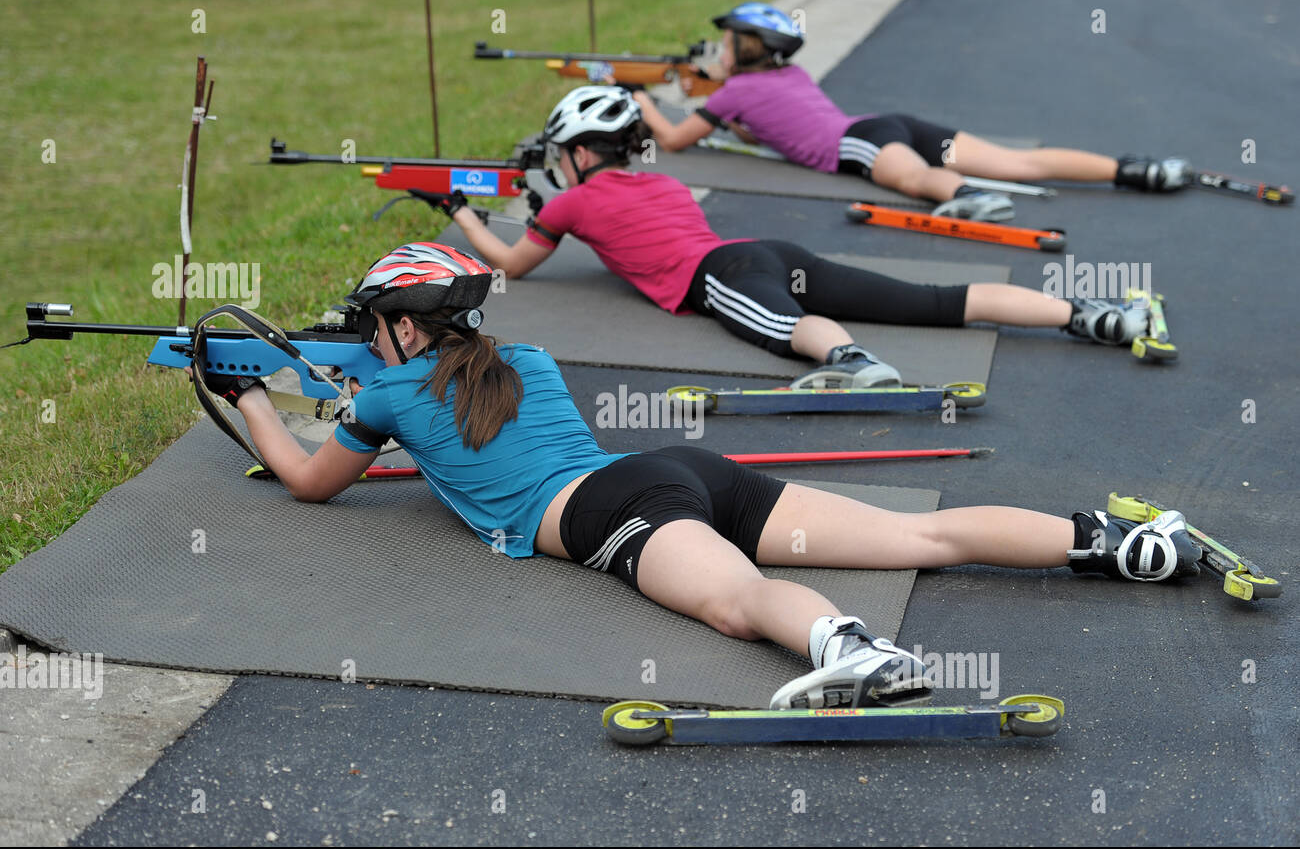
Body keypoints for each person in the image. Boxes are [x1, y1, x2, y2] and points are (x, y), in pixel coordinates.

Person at [205, 241, 1202, 710]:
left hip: (604, 509)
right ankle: (1116, 541)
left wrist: (243, 395)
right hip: (672, 472)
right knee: (918, 538)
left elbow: (305, 477)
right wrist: (351, 377)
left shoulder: (383, 399)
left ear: (404, 326)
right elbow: (456, 413)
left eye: (373, 323)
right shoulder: (529, 360)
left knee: (736, 606)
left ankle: (849, 647)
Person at [432, 84, 1155, 389]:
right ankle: (1093, 315)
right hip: (772, 253)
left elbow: (510, 266)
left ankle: (850, 357)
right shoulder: (665, 182)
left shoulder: (570, 206)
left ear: (581, 153)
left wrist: (458, 211)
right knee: (933, 299)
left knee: (780, 326)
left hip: (723, 275)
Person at [630, 2, 1190, 222]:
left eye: (728, 43)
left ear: (747, 49)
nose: (720, 52)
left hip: (857, 142)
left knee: (915, 179)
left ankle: (963, 195)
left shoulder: (732, 95)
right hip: (888, 123)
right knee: (1019, 162)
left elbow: (677, 140)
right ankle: (1133, 169)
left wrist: (645, 105)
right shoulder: (788, 75)